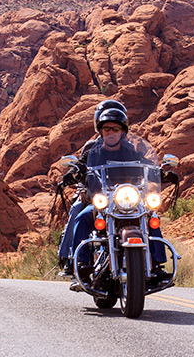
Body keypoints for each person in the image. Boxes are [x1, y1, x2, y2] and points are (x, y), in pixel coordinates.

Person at [64, 100, 168, 283]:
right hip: (103, 199)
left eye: (115, 129)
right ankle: (81, 264)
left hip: (127, 199)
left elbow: (148, 165)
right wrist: (75, 172)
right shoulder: (93, 151)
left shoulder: (131, 151)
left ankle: (158, 265)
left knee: (152, 217)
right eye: (107, 129)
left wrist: (162, 172)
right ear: (100, 131)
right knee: (82, 217)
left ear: (123, 131)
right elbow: (81, 166)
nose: (111, 132)